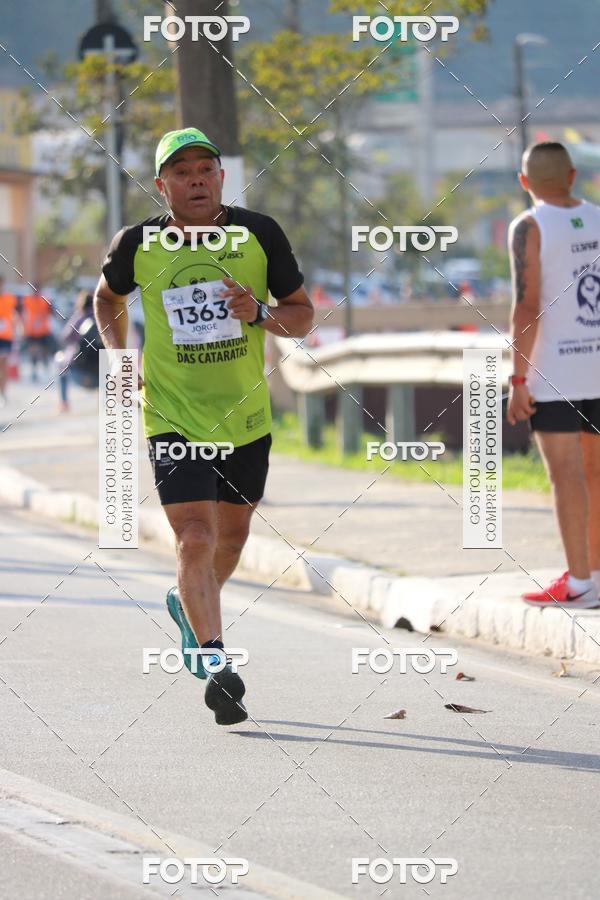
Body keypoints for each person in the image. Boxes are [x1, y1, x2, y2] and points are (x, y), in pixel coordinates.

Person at [94, 127, 314, 724]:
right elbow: (105, 299)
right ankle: (217, 663)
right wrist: (121, 356)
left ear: (221, 177)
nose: (195, 179)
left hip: (245, 418)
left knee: (232, 541)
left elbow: (303, 317)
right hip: (171, 415)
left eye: (206, 169)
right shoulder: (137, 243)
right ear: (162, 184)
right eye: (182, 171)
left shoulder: (259, 233)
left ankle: (185, 604)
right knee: (195, 537)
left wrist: (261, 313)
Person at [507, 141, 600, 609]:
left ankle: (580, 582)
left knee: (566, 476)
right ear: (572, 176)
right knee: (596, 474)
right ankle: (596, 576)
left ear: (525, 183)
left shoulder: (529, 226)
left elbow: (527, 304)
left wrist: (518, 380)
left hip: (555, 373)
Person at [55, 291, 95, 412]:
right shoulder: (102, 318)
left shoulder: (79, 318)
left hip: (78, 373)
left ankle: (64, 403)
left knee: (60, 360)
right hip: (101, 375)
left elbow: (64, 337)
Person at [22, 286, 55, 382]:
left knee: (44, 351)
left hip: (43, 330)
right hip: (31, 330)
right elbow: (23, 311)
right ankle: (34, 371)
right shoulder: (28, 300)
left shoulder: (44, 300)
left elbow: (51, 311)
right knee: (33, 351)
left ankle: (46, 369)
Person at [0, 276, 19, 405]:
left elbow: (15, 315)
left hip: (6, 337)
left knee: (4, 366)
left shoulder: (10, 298)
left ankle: (3, 393)